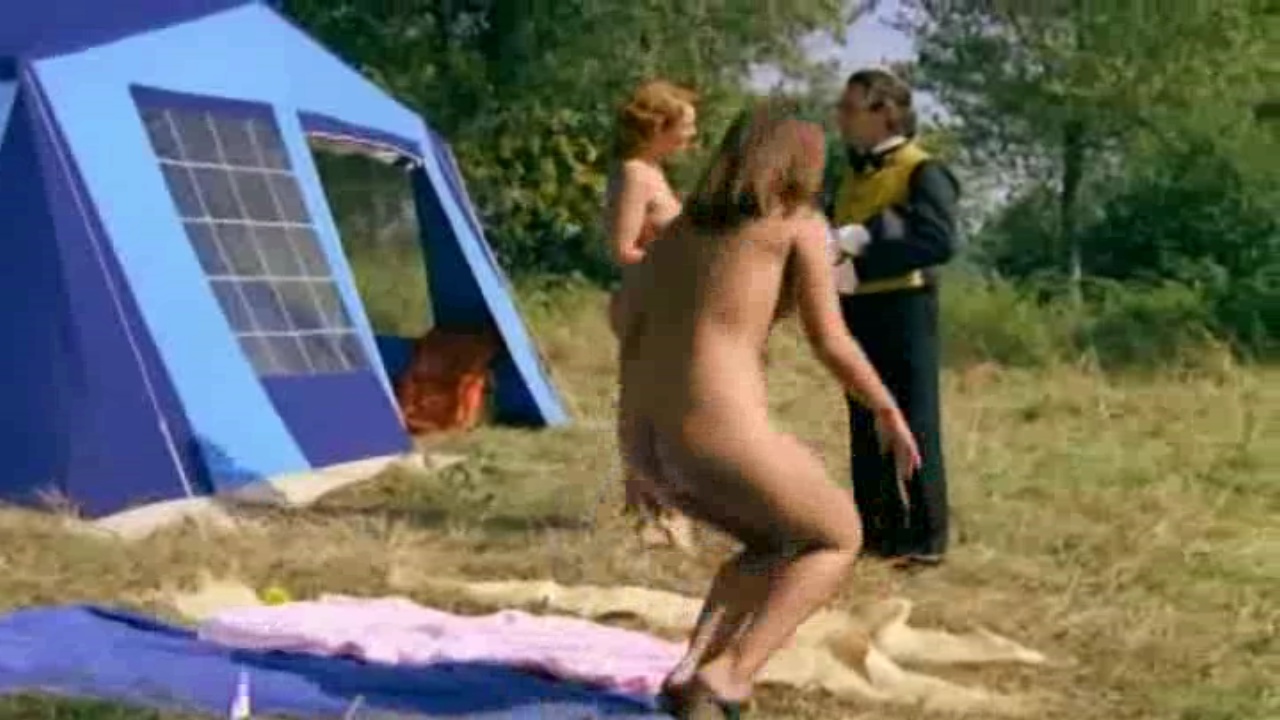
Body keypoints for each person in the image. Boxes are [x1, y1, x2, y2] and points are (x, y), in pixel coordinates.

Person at [614, 100, 921, 719]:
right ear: (800, 162)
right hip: (715, 428)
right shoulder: (796, 225)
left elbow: (627, 324)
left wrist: (632, 459)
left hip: (645, 436)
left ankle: (688, 672)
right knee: (836, 537)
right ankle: (729, 677)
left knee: (770, 541)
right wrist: (887, 410)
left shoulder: (677, 232)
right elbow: (830, 340)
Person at [827, 68, 961, 568]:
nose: (840, 117)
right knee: (865, 421)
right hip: (854, 309)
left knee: (913, 419)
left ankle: (926, 540)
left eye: (849, 108)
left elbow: (937, 242)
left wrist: (857, 265)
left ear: (884, 113)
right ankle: (879, 532)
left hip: (905, 308)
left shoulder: (923, 170)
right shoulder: (849, 173)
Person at [602, 79, 699, 551]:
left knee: (669, 407)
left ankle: (662, 510)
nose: (692, 136)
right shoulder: (635, 174)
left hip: (666, 302)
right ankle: (654, 515)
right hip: (646, 303)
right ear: (659, 126)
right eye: (686, 126)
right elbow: (623, 249)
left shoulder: (654, 173)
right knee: (651, 409)